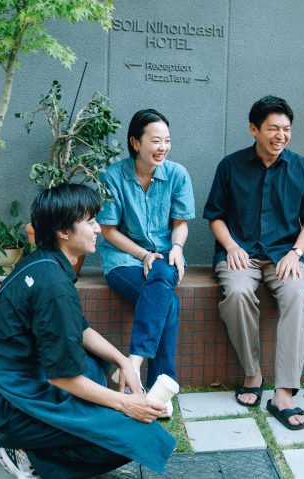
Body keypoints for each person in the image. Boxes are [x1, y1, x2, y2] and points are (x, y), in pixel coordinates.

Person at [0, 184, 175, 479]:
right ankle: (28, 456)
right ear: (64, 231)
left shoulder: (42, 263)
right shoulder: (53, 286)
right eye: (89, 221)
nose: (97, 229)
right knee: (134, 437)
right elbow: (63, 377)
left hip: (1, 383)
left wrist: (124, 361)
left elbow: (79, 329)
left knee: (95, 366)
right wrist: (127, 404)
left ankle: (39, 446)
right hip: (6, 404)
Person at [203, 95, 304, 430]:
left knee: (296, 296)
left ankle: (284, 392)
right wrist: (230, 246)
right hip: (239, 253)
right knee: (238, 293)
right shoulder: (230, 166)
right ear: (254, 129)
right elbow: (214, 215)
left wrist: (295, 253)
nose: (281, 136)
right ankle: (253, 372)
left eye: (286, 129)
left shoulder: (302, 168)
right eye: (273, 128)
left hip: (285, 255)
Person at [97, 109, 195, 416]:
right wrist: (142, 254)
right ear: (135, 143)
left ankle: (132, 366)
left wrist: (177, 247)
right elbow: (109, 231)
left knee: (164, 277)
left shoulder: (177, 174)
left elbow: (180, 222)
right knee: (169, 302)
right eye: (155, 140)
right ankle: (158, 387)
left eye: (167, 140)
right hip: (123, 260)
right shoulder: (113, 176)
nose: (163, 147)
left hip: (166, 258)